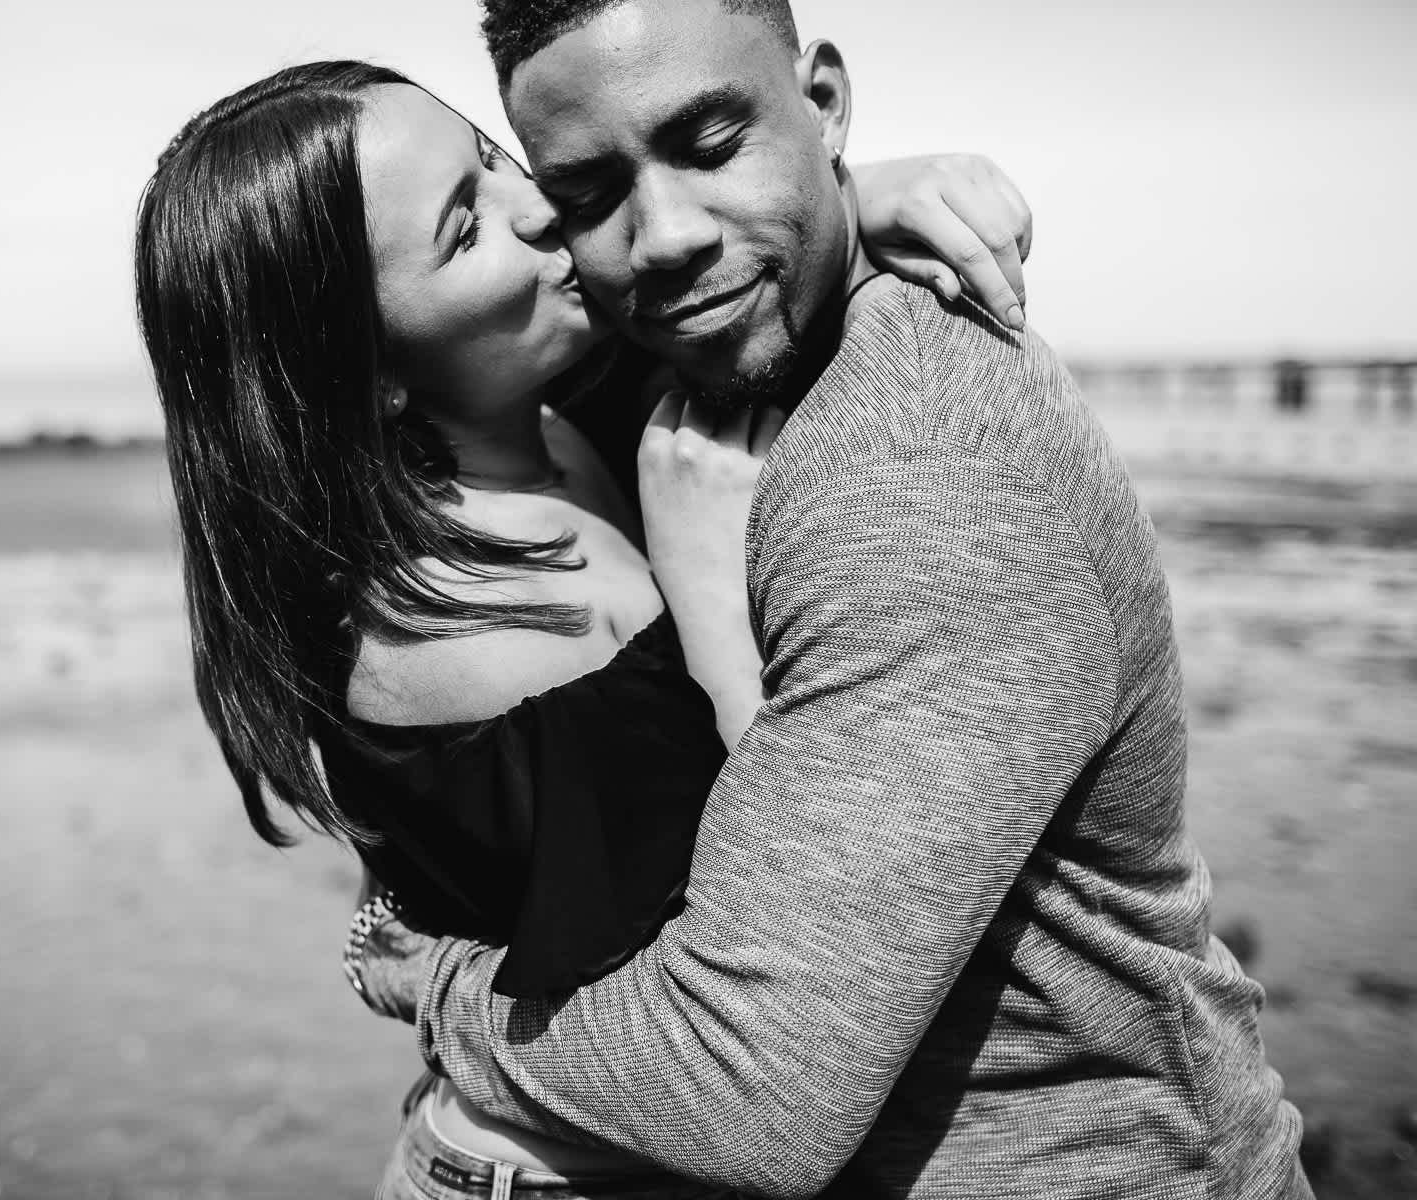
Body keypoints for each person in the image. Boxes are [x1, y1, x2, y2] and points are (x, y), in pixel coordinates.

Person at [351, 2, 1314, 1198]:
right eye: (592, 194)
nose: (664, 238)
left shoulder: (920, 468)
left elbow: (747, 1096)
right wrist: (837, 196)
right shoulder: (682, 372)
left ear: (827, 102)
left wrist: (441, 987)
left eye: (710, 142)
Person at [134, 56, 1037, 1200]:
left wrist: (856, 198)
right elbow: (784, 941)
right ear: (365, 378)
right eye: (467, 230)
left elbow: (703, 268)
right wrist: (712, 607)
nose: (539, 207)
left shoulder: (551, 411)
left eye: (493, 158)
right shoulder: (476, 647)